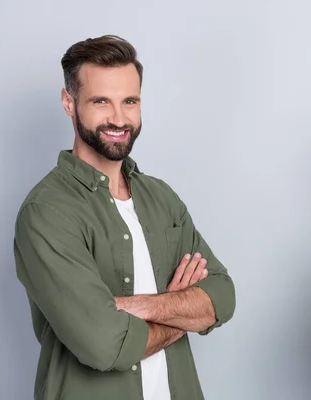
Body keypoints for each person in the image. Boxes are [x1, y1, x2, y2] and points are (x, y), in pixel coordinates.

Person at [13, 34, 236, 400]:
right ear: (69, 102)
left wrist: (133, 306)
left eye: (129, 101)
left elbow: (222, 298)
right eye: (101, 101)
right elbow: (105, 343)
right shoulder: (47, 212)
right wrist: (180, 314)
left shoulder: (160, 197)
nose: (119, 118)